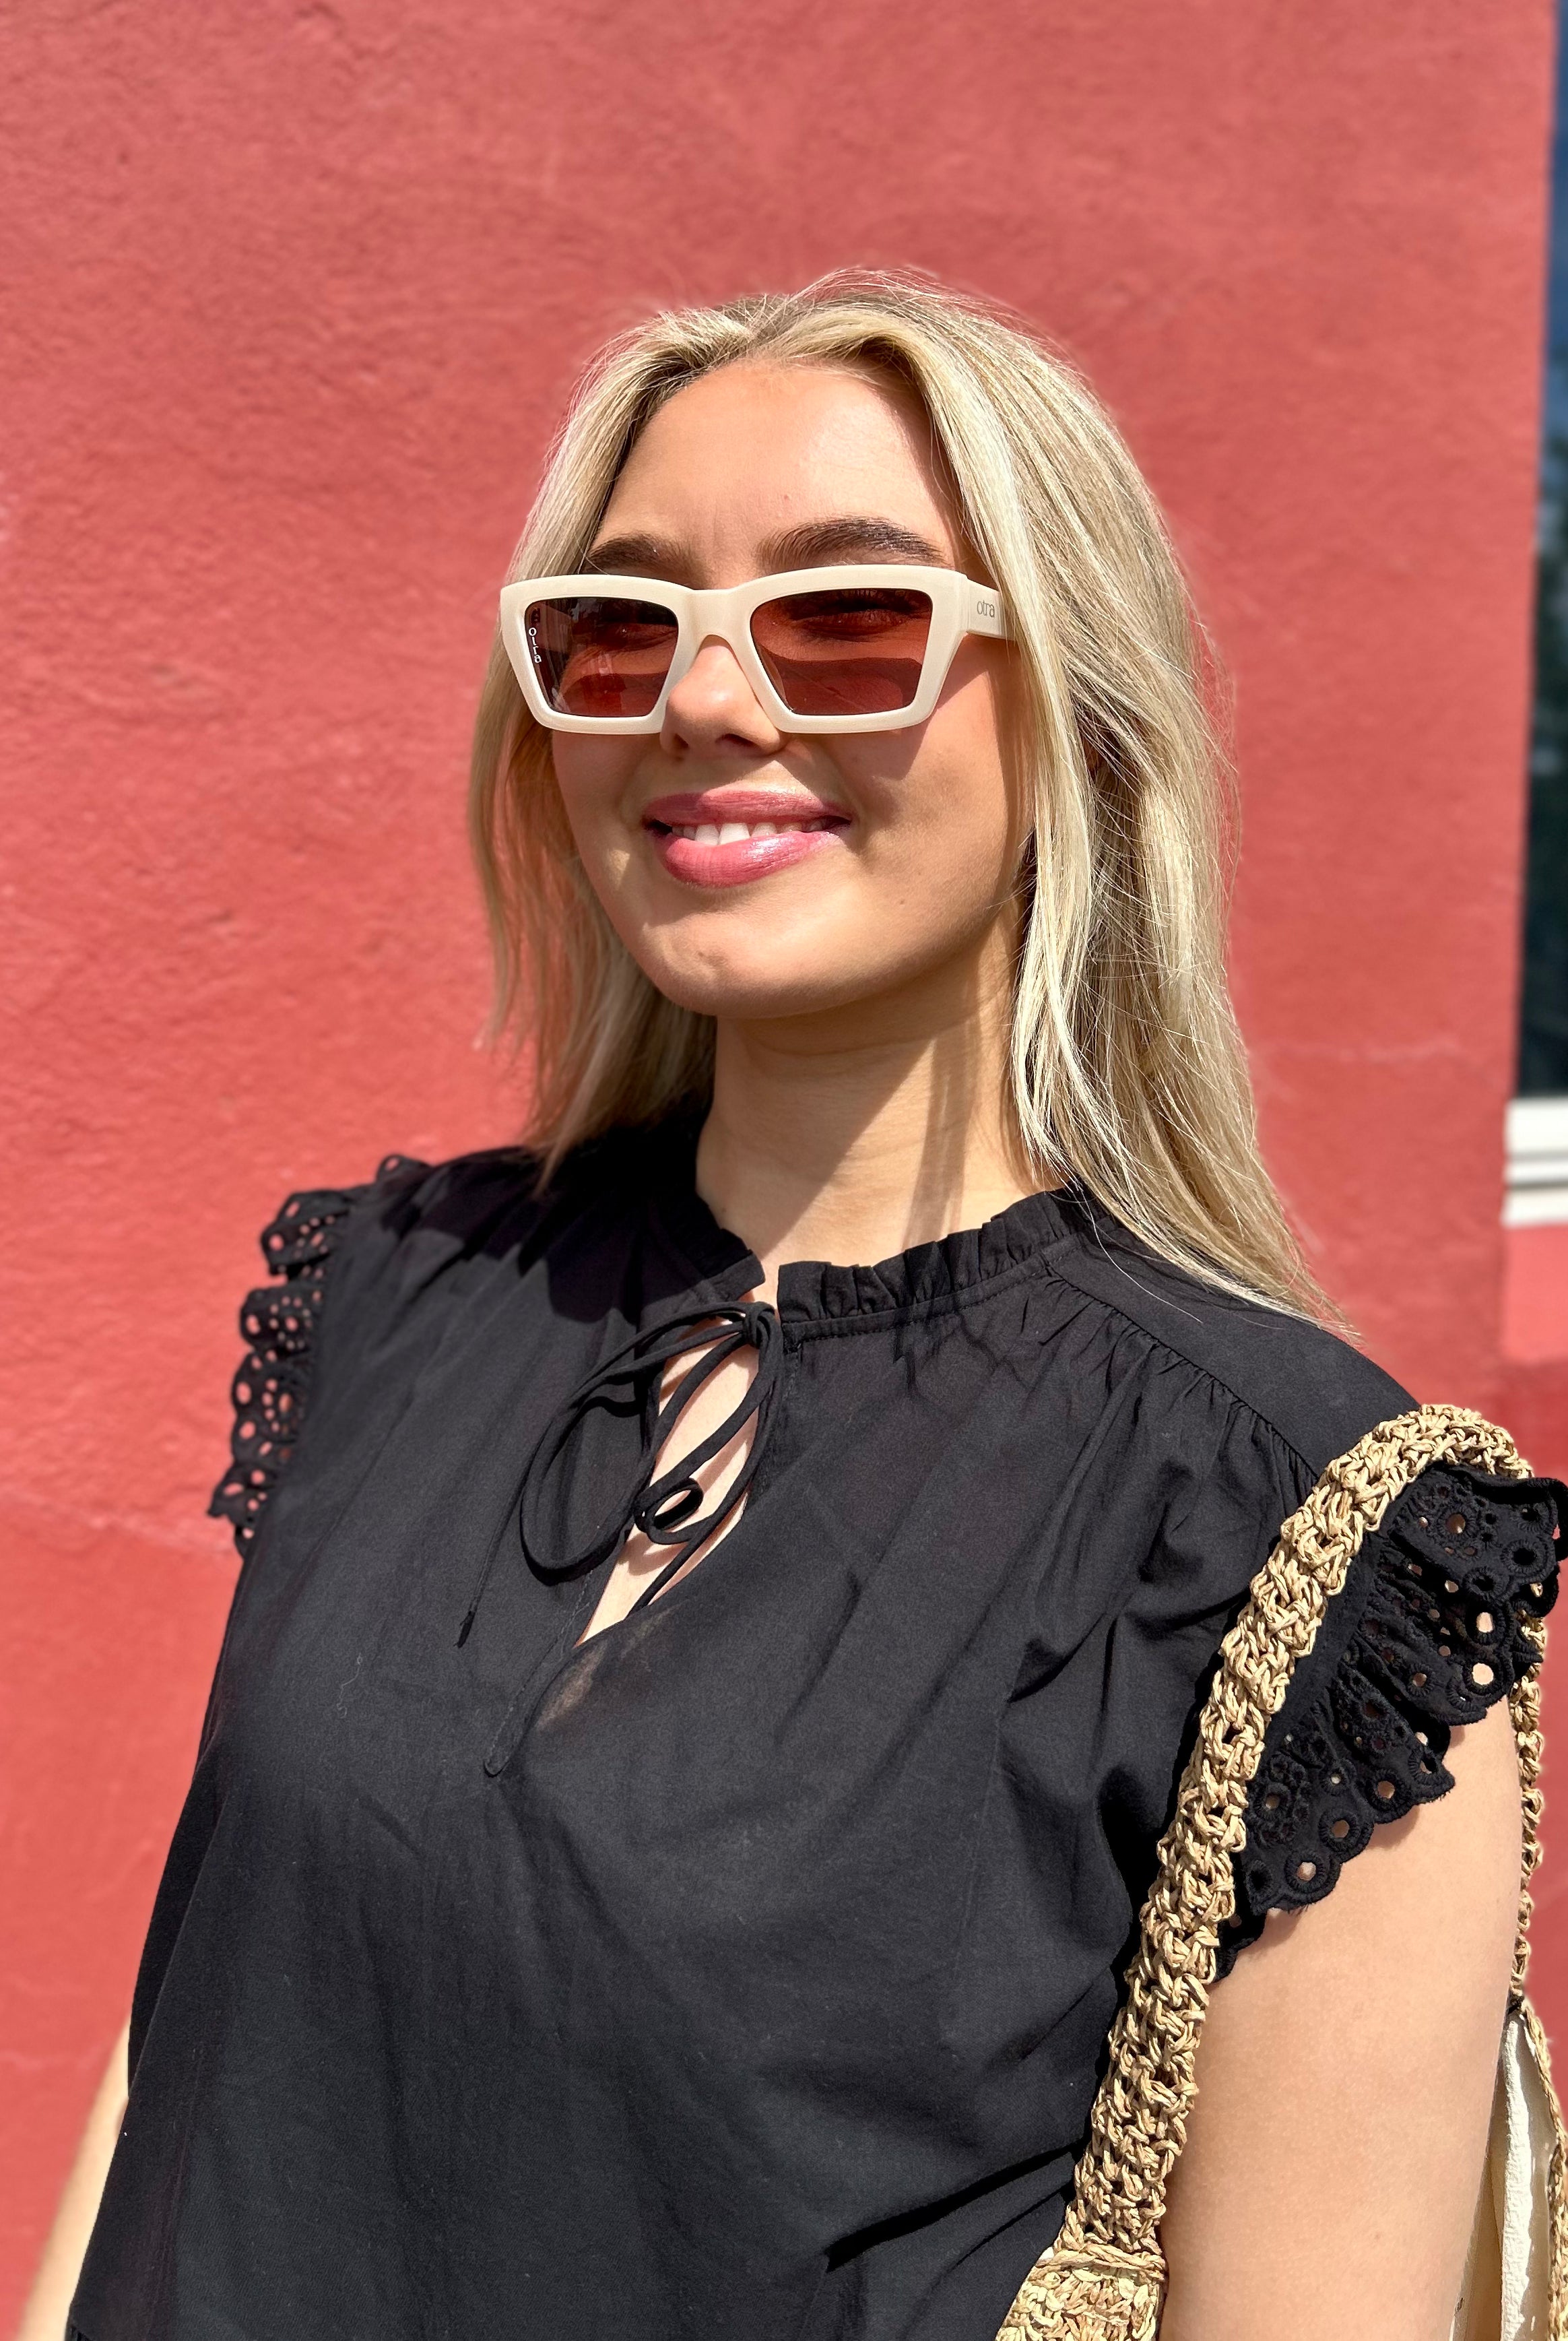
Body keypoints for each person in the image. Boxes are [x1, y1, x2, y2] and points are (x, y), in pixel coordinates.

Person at [27, 271, 1561, 2341]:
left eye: (847, 619)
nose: (707, 701)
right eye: (619, 628)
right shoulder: (404, 1296)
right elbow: (193, 2047)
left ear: (1080, 712)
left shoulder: (1302, 1538)